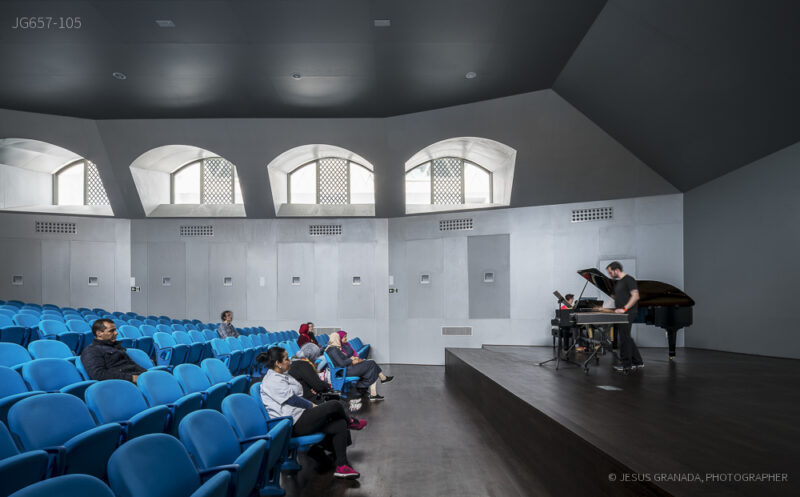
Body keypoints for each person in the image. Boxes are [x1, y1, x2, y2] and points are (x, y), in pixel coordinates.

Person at [259, 347, 364, 479]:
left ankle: (342, 466)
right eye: (286, 359)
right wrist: (312, 405)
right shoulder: (272, 380)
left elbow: (298, 391)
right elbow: (292, 398)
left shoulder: (283, 374)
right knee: (334, 405)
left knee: (339, 423)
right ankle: (351, 422)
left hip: (299, 415)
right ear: (277, 363)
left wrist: (309, 397)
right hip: (292, 424)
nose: (290, 361)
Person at [290, 342, 362, 412]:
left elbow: (314, 383)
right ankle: (348, 405)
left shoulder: (296, 363)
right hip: (307, 398)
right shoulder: (304, 365)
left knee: (329, 391)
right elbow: (318, 386)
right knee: (329, 393)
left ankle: (349, 403)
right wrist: (327, 385)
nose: (316, 358)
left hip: (304, 394)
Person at [326, 333, 392, 401]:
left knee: (371, 365)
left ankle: (375, 391)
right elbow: (342, 363)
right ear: (336, 339)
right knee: (372, 364)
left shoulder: (331, 349)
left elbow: (341, 361)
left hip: (346, 369)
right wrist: (351, 359)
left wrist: (352, 359)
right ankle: (377, 386)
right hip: (346, 370)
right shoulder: (333, 350)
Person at [605, 261, 644, 373]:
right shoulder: (618, 283)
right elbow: (614, 297)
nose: (609, 274)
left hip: (628, 313)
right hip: (621, 314)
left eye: (610, 272)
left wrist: (625, 308)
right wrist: (603, 308)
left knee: (624, 337)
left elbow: (636, 296)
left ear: (616, 270)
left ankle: (626, 365)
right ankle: (638, 361)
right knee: (627, 337)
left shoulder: (629, 279)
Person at [80, 319, 146, 383]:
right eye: (111, 331)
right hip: (122, 383)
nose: (116, 333)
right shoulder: (91, 350)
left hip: (136, 379)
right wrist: (131, 378)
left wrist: (145, 373)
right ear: (99, 333)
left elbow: (132, 365)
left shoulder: (115, 346)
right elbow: (98, 374)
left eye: (115, 330)